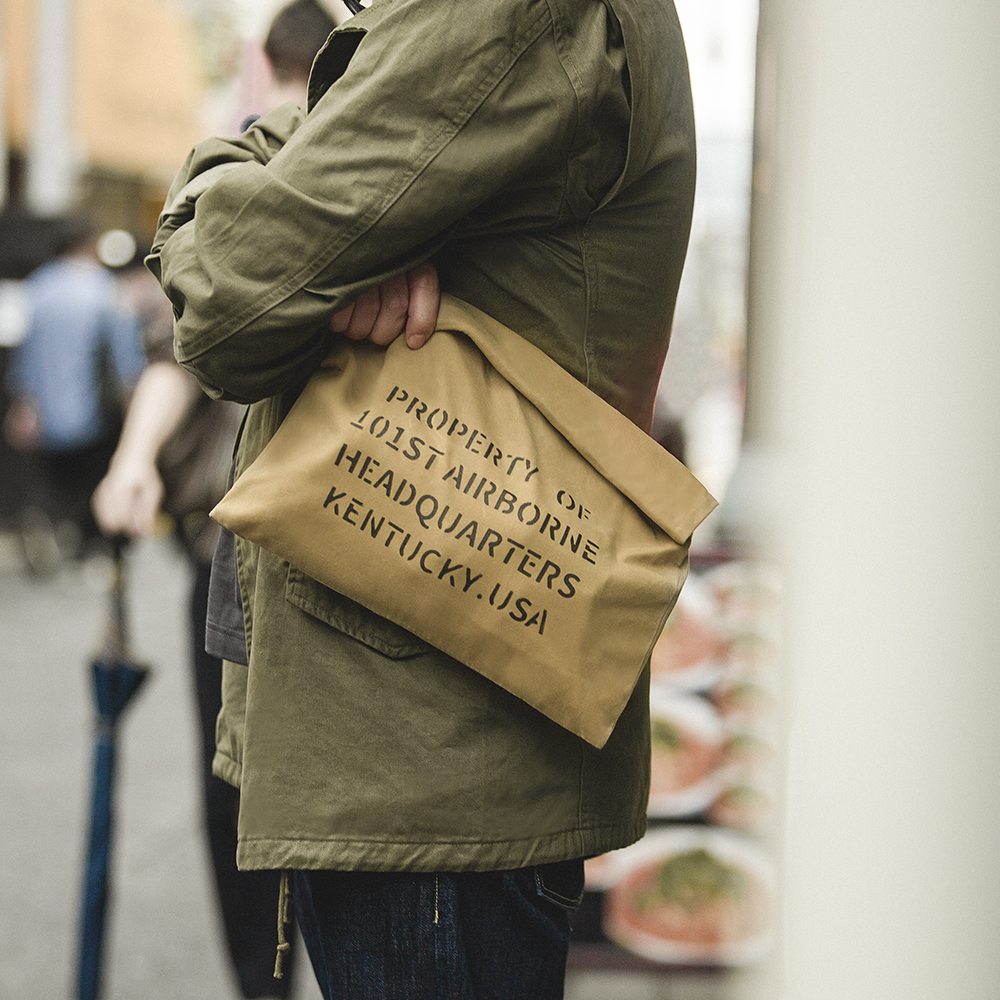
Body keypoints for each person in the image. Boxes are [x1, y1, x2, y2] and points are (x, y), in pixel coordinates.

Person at [148, 0, 696, 996]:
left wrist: (240, 205)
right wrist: (270, 201)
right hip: (427, 739)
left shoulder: (496, 10)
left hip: (424, 752)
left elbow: (231, 296)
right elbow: (263, 203)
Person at [3, 215, 144, 572]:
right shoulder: (105, 289)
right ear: (87, 245)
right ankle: (88, 544)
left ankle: (51, 521)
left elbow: (23, 357)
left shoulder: (38, 288)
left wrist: (21, 404)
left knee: (55, 478)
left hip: (45, 410)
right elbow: (126, 356)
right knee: (93, 478)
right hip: (95, 410)